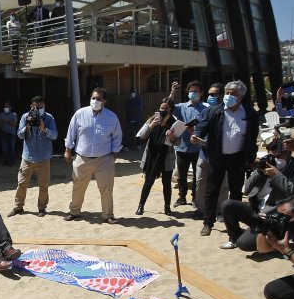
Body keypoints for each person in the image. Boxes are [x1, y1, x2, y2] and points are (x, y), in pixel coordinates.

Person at [190, 80, 260, 236]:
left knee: (235, 193)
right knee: (211, 191)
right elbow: (202, 127)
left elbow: (252, 138)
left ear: (240, 96)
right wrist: (197, 136)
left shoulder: (250, 114)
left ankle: (232, 224)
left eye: (232, 94)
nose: (228, 96)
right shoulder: (214, 111)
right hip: (216, 157)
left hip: (237, 159)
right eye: (227, 93)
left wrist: (250, 158)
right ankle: (208, 223)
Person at [219, 139, 294, 250]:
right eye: (272, 156)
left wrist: (277, 175)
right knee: (228, 205)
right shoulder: (266, 165)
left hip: (274, 216)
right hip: (256, 211)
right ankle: (235, 238)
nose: (275, 159)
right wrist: (259, 171)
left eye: (278, 156)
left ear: (288, 153)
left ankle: (274, 244)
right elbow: (246, 190)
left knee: (244, 244)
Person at [63, 87, 123, 224]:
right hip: (82, 158)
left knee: (107, 188)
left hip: (104, 159)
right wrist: (68, 149)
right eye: (93, 98)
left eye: (98, 99)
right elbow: (71, 132)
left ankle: (108, 214)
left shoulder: (112, 117)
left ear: (104, 101)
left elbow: (117, 136)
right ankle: (74, 212)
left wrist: (113, 154)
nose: (95, 101)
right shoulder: (80, 114)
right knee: (78, 186)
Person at [9, 95, 57, 218]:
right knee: (22, 183)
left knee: (43, 185)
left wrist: (44, 128)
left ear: (44, 106)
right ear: (31, 106)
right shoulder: (25, 117)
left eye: (40, 107)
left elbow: (55, 135)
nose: (38, 109)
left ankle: (42, 208)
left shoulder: (49, 118)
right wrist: (28, 126)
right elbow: (19, 135)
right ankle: (18, 207)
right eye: (35, 107)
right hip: (27, 158)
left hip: (43, 158)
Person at [135, 98, 182, 216]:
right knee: (148, 182)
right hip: (152, 156)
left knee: (166, 183)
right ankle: (141, 206)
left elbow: (178, 143)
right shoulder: (152, 119)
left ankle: (167, 207)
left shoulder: (174, 122)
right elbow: (141, 136)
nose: (163, 110)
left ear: (170, 109)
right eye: (161, 108)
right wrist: (151, 126)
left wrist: (172, 136)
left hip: (166, 156)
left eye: (166, 108)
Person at [193, 82, 228, 219]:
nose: (210, 97)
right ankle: (201, 209)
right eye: (209, 94)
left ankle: (220, 211)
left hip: (220, 156)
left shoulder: (227, 113)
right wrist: (196, 136)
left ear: (221, 95)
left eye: (213, 94)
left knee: (222, 185)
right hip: (204, 154)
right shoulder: (206, 111)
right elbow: (199, 129)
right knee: (200, 183)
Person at [172, 80, 207, 206]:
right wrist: (173, 92)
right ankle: (182, 197)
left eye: (195, 91)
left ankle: (194, 198)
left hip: (198, 148)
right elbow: (168, 106)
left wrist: (195, 130)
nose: (193, 93)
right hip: (182, 147)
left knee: (197, 176)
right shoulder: (181, 107)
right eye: (191, 91)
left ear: (201, 93)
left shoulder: (206, 108)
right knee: (182, 175)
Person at [0, 101, 17, 165]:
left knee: (12, 148)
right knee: (4, 149)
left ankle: (12, 162)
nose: (6, 108)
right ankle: (6, 161)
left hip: (11, 134)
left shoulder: (14, 114)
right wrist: (2, 122)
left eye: (7, 106)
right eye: (5, 107)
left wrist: (8, 121)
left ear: (10, 107)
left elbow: (15, 124)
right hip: (4, 134)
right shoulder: (1, 114)